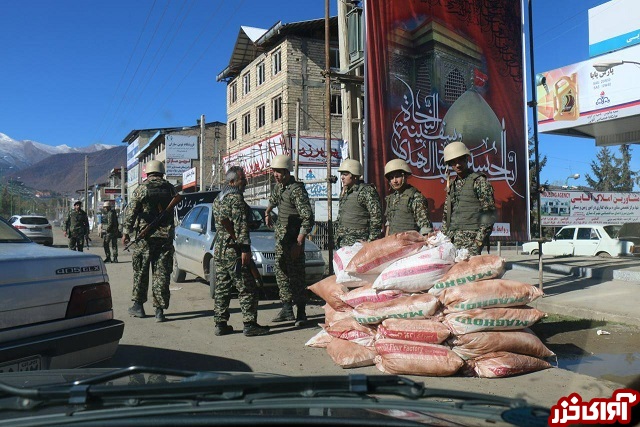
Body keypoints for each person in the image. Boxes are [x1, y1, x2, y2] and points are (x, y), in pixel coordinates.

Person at [212, 166, 270, 337]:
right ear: (232, 182)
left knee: (222, 287)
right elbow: (240, 225)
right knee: (247, 287)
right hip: (234, 249)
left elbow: (223, 221)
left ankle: (220, 324)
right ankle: (250, 324)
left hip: (220, 249)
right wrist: (245, 249)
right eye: (242, 179)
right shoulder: (235, 198)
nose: (245, 182)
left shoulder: (219, 198)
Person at [122, 160, 178, 323]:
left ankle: (138, 306)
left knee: (141, 272)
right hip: (165, 238)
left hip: (145, 239)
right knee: (161, 275)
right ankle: (159, 311)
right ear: (162, 172)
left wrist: (126, 232)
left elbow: (131, 212)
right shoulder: (170, 189)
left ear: (148, 173)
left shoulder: (142, 189)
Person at [265, 154, 314, 326]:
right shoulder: (280, 187)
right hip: (281, 238)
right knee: (281, 274)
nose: (276, 175)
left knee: (297, 276)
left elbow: (308, 218)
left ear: (286, 172)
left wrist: (299, 243)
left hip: (294, 240)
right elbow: (274, 199)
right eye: (274, 172)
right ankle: (287, 309)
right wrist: (267, 211)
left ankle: (301, 312)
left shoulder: (296, 190)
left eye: (278, 172)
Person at [441, 141, 496, 256]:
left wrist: (478, 243)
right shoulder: (451, 185)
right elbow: (446, 217)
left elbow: (489, 214)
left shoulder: (479, 182)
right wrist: (444, 240)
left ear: (467, 159)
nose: (458, 165)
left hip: (471, 243)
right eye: (453, 162)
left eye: (460, 160)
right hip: (451, 242)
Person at [335, 159, 383, 248]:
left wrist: (370, 242)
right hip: (343, 242)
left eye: (345, 174)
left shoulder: (367, 191)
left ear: (355, 176)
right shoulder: (346, 191)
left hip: (359, 244)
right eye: (342, 174)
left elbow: (376, 218)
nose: (342, 177)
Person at [383, 159, 432, 236]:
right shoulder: (391, 198)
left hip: (410, 244)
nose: (394, 181)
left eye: (397, 176)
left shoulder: (416, 197)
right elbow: (389, 224)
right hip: (393, 244)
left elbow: (425, 227)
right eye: (391, 178)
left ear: (405, 176)